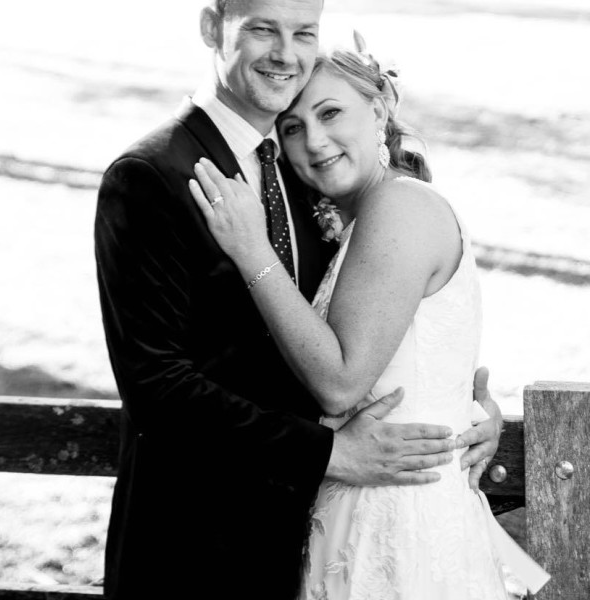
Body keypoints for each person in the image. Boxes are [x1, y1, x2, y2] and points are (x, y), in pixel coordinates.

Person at [94, 1, 503, 599]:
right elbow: (156, 383)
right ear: (214, 29)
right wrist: (329, 454)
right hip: (194, 548)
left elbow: (393, 321)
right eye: (262, 28)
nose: (285, 53)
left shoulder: (307, 178)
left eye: (303, 32)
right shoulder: (152, 174)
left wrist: (465, 410)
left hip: (323, 536)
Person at [189, 46, 550, 598]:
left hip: (402, 518)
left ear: (379, 109)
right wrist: (465, 407)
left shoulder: (402, 208)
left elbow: (340, 382)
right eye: (292, 127)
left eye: (331, 113)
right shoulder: (363, 220)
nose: (313, 140)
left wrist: (250, 250)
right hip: (363, 505)